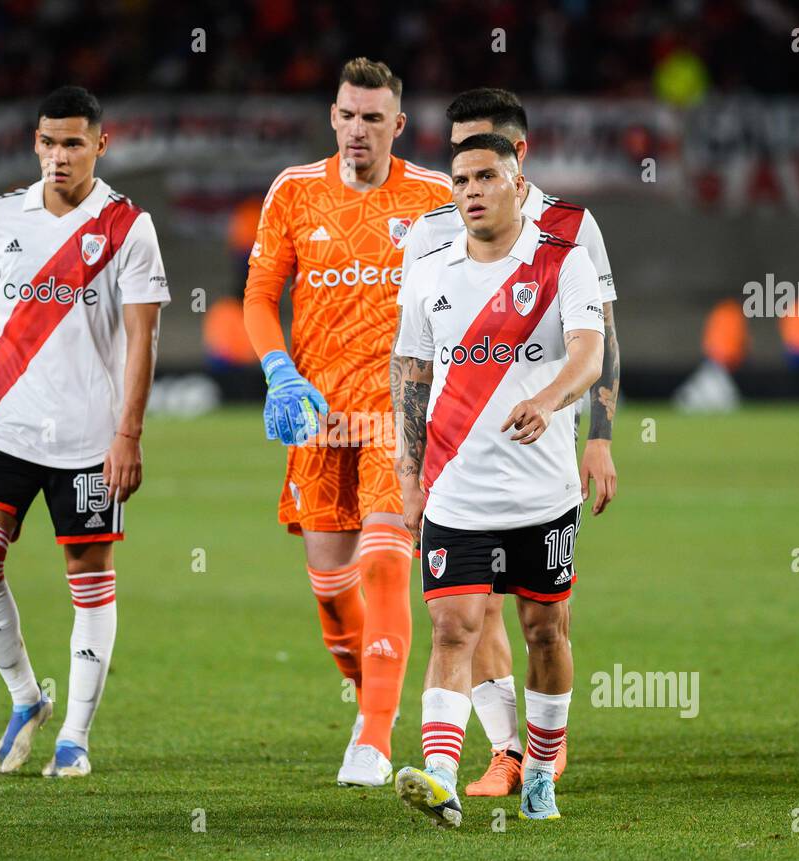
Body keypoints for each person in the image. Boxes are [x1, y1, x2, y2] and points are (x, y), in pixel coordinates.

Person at [399, 88, 621, 796]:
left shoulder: (570, 237)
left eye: (483, 164)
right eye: (457, 167)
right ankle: (477, 760)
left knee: (544, 625)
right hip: (458, 478)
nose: (467, 182)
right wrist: (408, 470)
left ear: (516, 163)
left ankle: (541, 761)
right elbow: (412, 365)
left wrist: (597, 435)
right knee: (460, 618)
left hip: (543, 477)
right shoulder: (428, 244)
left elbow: (598, 344)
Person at [242, 58, 452, 786]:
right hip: (316, 416)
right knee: (333, 597)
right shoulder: (294, 191)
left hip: (396, 415)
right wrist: (277, 368)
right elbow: (260, 297)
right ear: (332, 116)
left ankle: (374, 737)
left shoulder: (435, 198)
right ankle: (372, 703)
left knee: (389, 563)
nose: (357, 129)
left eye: (372, 118)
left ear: (398, 125)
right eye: (346, 115)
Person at [0, 86, 170, 778]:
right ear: (34, 144)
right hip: (5, 427)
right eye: (47, 142)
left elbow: (143, 338)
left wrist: (128, 434)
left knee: (88, 575)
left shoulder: (128, 226)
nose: (58, 156)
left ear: (101, 145)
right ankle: (25, 695)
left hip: (88, 437)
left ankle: (74, 735)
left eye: (73, 142)